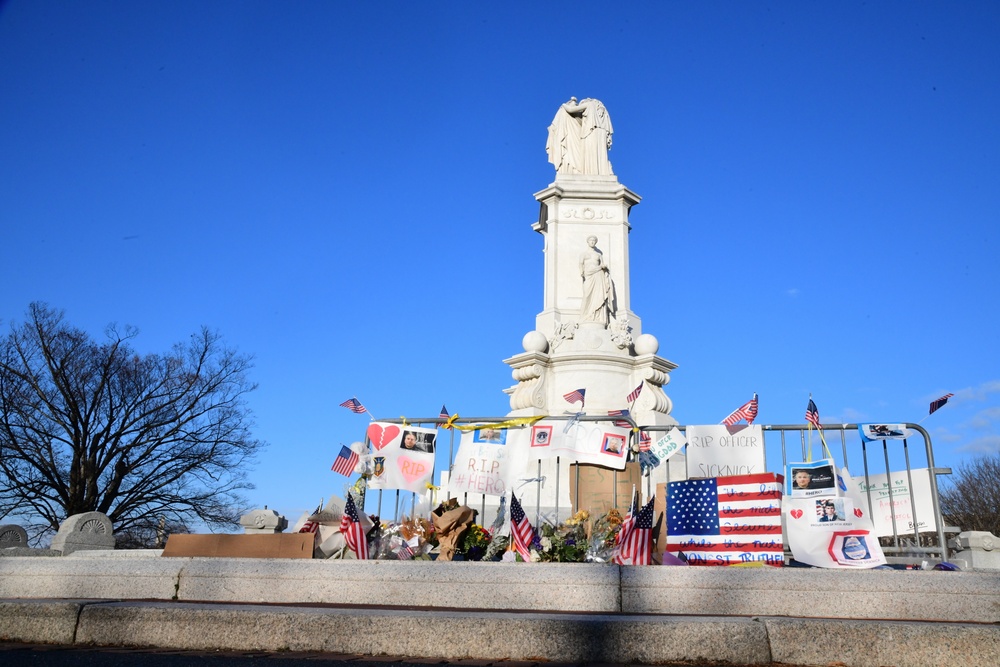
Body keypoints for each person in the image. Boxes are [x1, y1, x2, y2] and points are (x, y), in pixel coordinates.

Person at [545, 97, 614, 176]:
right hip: (599, 135)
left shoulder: (589, 104)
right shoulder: (601, 115)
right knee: (599, 156)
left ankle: (590, 173)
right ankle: (600, 172)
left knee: (590, 154)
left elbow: (570, 110)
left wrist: (563, 105)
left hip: (590, 133)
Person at [579, 235, 614, 326]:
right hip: (588, 275)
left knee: (599, 295)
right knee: (587, 295)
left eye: (594, 240)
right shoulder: (583, 254)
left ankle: (597, 315)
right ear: (588, 242)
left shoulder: (598, 255)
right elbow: (581, 264)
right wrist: (582, 273)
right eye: (591, 240)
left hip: (598, 274)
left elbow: (602, 264)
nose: (592, 242)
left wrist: (604, 267)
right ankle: (585, 315)